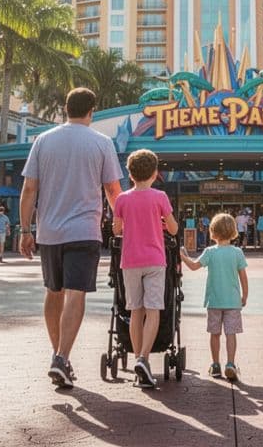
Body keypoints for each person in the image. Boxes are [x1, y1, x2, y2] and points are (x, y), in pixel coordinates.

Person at [19, 87, 124, 389]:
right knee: (75, 293)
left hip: (49, 232)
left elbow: (29, 189)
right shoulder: (102, 143)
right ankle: (62, 357)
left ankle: (58, 355)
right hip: (84, 231)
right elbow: (113, 191)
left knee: (54, 291)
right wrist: (124, 223)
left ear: (65, 108)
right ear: (91, 111)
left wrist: (26, 231)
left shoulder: (43, 141)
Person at [112, 149, 178, 389]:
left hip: (130, 261)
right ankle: (143, 358)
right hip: (154, 260)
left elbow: (116, 231)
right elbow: (173, 229)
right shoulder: (160, 197)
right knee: (153, 310)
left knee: (135, 310)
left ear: (130, 174)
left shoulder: (122, 199)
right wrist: (162, 222)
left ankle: (138, 354)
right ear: (155, 173)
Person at [180, 213, 248, 381]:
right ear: (233, 231)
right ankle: (231, 364)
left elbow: (195, 266)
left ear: (213, 231)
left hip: (214, 301)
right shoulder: (237, 252)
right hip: (232, 301)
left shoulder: (210, 252)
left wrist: (182, 256)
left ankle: (215, 364)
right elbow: (243, 277)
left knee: (215, 333)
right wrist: (244, 295)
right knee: (231, 333)